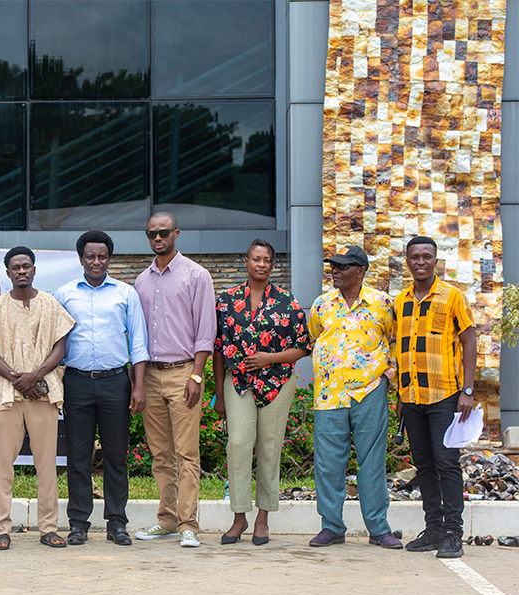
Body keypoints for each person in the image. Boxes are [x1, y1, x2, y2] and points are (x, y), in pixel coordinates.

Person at [212, 239, 310, 546]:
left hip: (277, 382)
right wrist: (218, 393)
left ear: (273, 265)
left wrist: (270, 358)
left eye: (267, 260)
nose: (261, 264)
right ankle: (239, 516)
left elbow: (303, 347)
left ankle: (263, 517)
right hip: (238, 382)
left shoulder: (286, 302)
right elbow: (218, 348)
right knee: (238, 444)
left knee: (270, 447)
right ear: (246, 261)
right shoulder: (226, 300)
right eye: (256, 259)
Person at [54, 231, 149, 546]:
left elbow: (138, 342)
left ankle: (117, 523)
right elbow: (55, 342)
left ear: (110, 258)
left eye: (102, 256)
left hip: (115, 383)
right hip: (77, 382)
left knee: (115, 457)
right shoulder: (64, 294)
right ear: (81, 258)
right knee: (78, 457)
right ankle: (78, 523)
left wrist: (138, 387)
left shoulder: (126, 294)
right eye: (90, 257)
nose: (97, 262)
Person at [306, 245, 402, 549]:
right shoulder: (321, 305)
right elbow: (313, 336)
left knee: (372, 462)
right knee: (328, 464)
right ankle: (332, 527)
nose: (335, 271)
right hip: (329, 394)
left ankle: (379, 529)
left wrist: (388, 376)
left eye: (343, 266)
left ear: (360, 271)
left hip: (369, 392)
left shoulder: (382, 303)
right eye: (333, 265)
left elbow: (395, 340)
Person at [0, 246, 75, 550]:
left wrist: (34, 376)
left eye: (26, 266)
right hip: (6, 393)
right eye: (15, 267)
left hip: (43, 393)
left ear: (34, 270)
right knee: (2, 464)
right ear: (7, 272)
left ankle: (48, 528)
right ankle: (0, 529)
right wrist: (18, 379)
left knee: (46, 465)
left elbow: (60, 348)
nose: (21, 271)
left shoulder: (50, 304)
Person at [133, 213, 215, 548]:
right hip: (151, 375)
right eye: (151, 233)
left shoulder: (196, 275)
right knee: (161, 454)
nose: (157, 238)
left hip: (184, 372)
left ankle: (188, 525)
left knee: (186, 454)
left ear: (176, 233)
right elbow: (137, 335)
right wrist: (138, 383)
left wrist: (196, 374)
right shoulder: (141, 281)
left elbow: (206, 332)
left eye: (163, 232)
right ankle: (167, 520)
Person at [394, 236, 477, 559]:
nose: (421, 262)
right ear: (407, 261)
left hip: (445, 394)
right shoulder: (400, 301)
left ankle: (454, 533)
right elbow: (400, 349)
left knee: (447, 463)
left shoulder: (452, 297)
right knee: (424, 465)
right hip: (412, 396)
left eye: (426, 257)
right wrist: (401, 395)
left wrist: (467, 390)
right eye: (415, 257)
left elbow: (469, 341)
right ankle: (434, 529)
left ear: (435, 261)